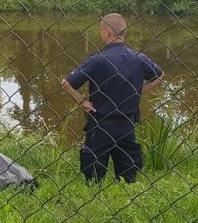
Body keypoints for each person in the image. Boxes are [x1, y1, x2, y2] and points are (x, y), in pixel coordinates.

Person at [61, 13, 164, 183]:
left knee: (93, 177)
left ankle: (95, 194)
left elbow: (66, 83)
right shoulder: (139, 58)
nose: (100, 33)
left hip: (100, 124)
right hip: (127, 125)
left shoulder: (97, 60)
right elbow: (159, 76)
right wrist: (138, 90)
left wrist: (82, 101)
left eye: (100, 30)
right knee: (128, 177)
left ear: (107, 32)